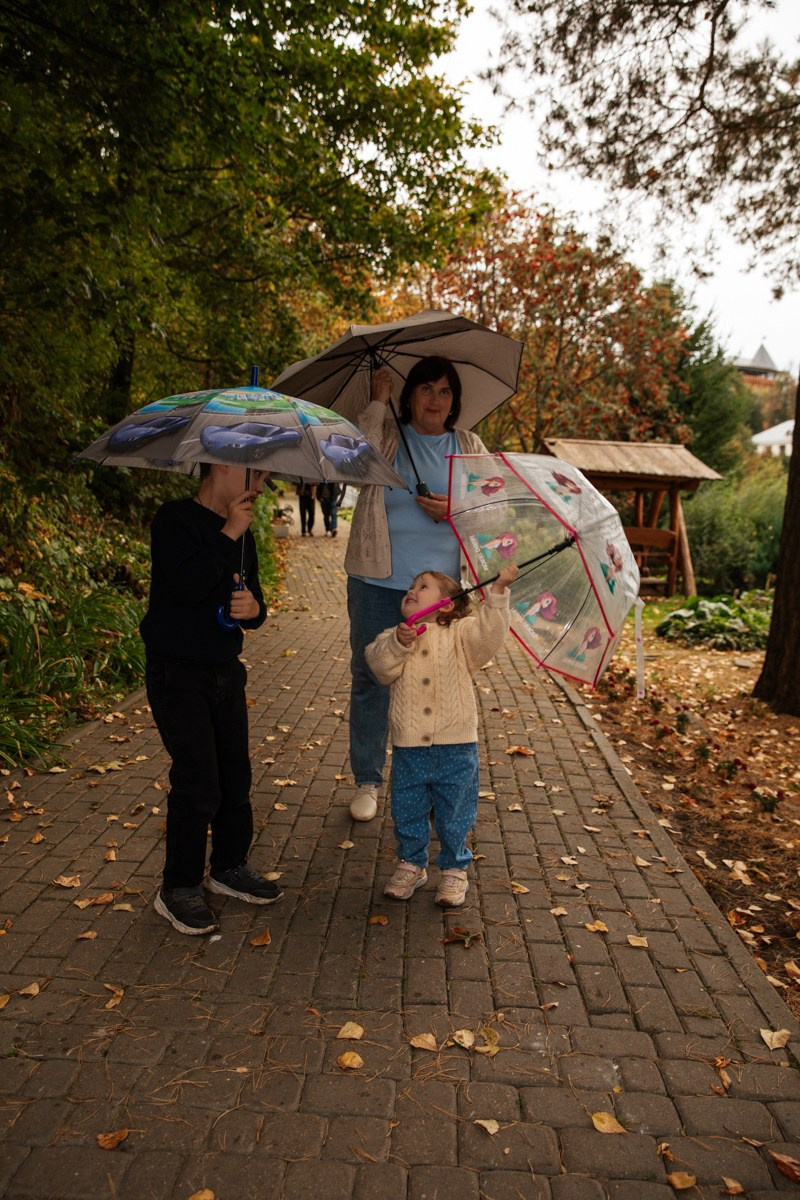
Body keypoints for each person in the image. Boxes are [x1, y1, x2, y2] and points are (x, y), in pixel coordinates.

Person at [141, 463, 284, 935]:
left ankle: (229, 866)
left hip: (225, 671)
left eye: (264, 480)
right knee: (198, 778)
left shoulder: (243, 535)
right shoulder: (174, 519)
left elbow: (253, 602)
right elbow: (185, 588)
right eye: (256, 476)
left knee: (233, 775)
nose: (260, 488)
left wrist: (254, 609)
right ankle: (178, 886)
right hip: (176, 671)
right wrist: (228, 532)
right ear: (223, 464)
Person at [344, 356, 488, 822]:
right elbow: (353, 464)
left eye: (445, 391)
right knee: (372, 677)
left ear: (454, 401)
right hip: (377, 580)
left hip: (439, 594)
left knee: (440, 681)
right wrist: (377, 403)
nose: (435, 399)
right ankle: (368, 780)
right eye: (426, 389)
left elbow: (494, 509)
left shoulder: (468, 446)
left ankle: (433, 778)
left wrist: (455, 509)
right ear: (411, 396)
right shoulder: (388, 435)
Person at [365, 564, 518, 907]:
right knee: (408, 808)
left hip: (457, 744)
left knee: (456, 810)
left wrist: (498, 593)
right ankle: (411, 863)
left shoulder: (461, 634)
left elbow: (489, 638)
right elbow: (378, 665)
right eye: (412, 585)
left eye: (423, 586)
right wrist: (398, 642)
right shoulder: (394, 635)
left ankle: (454, 869)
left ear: (446, 605)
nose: (412, 590)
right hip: (410, 745)